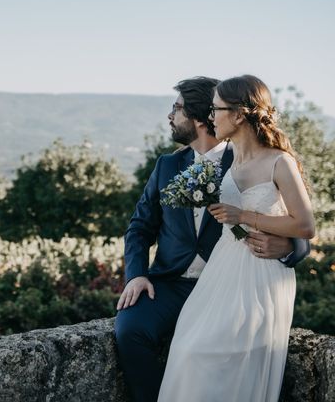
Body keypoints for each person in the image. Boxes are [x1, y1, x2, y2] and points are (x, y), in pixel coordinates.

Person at [114, 76, 311, 402]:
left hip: (231, 284)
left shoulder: (249, 158)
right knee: (130, 330)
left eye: (176, 108)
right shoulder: (167, 165)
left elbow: (293, 218)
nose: (169, 116)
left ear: (202, 115)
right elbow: (139, 227)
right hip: (171, 282)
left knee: (206, 353)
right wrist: (136, 275)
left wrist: (291, 247)